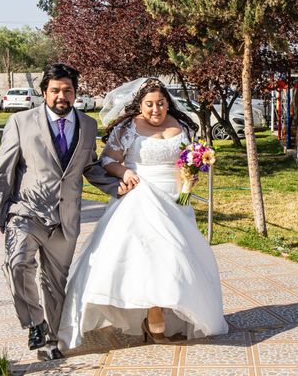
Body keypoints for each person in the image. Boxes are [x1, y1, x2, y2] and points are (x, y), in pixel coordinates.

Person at [58, 78, 228, 350]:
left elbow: (190, 158)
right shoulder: (128, 128)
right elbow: (108, 160)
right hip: (141, 196)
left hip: (176, 199)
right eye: (149, 104)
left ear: (167, 102)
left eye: (160, 103)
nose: (156, 110)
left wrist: (192, 175)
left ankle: (166, 312)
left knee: (179, 258)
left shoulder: (181, 125)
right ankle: (154, 313)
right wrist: (124, 172)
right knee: (150, 257)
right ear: (140, 104)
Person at [0, 63, 129, 361]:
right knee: (18, 265)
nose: (61, 96)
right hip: (25, 210)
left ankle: (50, 339)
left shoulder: (87, 125)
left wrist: (116, 187)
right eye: (55, 91)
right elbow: (3, 170)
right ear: (43, 93)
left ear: (75, 93)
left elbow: (88, 166)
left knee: (54, 283)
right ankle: (35, 324)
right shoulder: (21, 122)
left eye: (67, 90)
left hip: (65, 218)